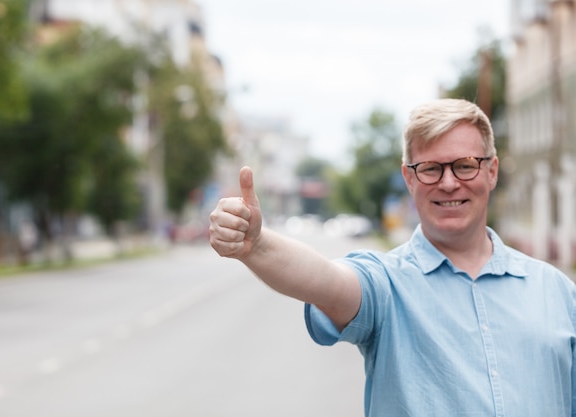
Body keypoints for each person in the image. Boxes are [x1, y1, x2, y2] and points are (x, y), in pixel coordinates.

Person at [208, 98, 576, 417]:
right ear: (409, 178)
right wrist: (256, 246)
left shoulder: (558, 292)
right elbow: (326, 281)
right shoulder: (386, 286)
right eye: (431, 169)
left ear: (491, 171)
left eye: (465, 165)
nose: (448, 183)